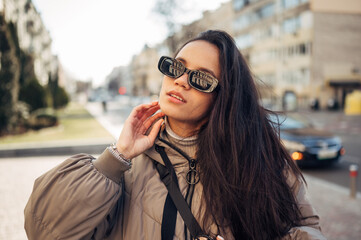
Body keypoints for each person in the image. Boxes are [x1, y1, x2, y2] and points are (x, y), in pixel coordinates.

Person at [24, 30, 326, 240]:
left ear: (226, 97)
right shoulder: (123, 167)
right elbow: (44, 231)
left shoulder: (258, 161)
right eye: (176, 67)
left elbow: (304, 229)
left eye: (201, 78)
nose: (180, 80)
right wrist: (116, 158)